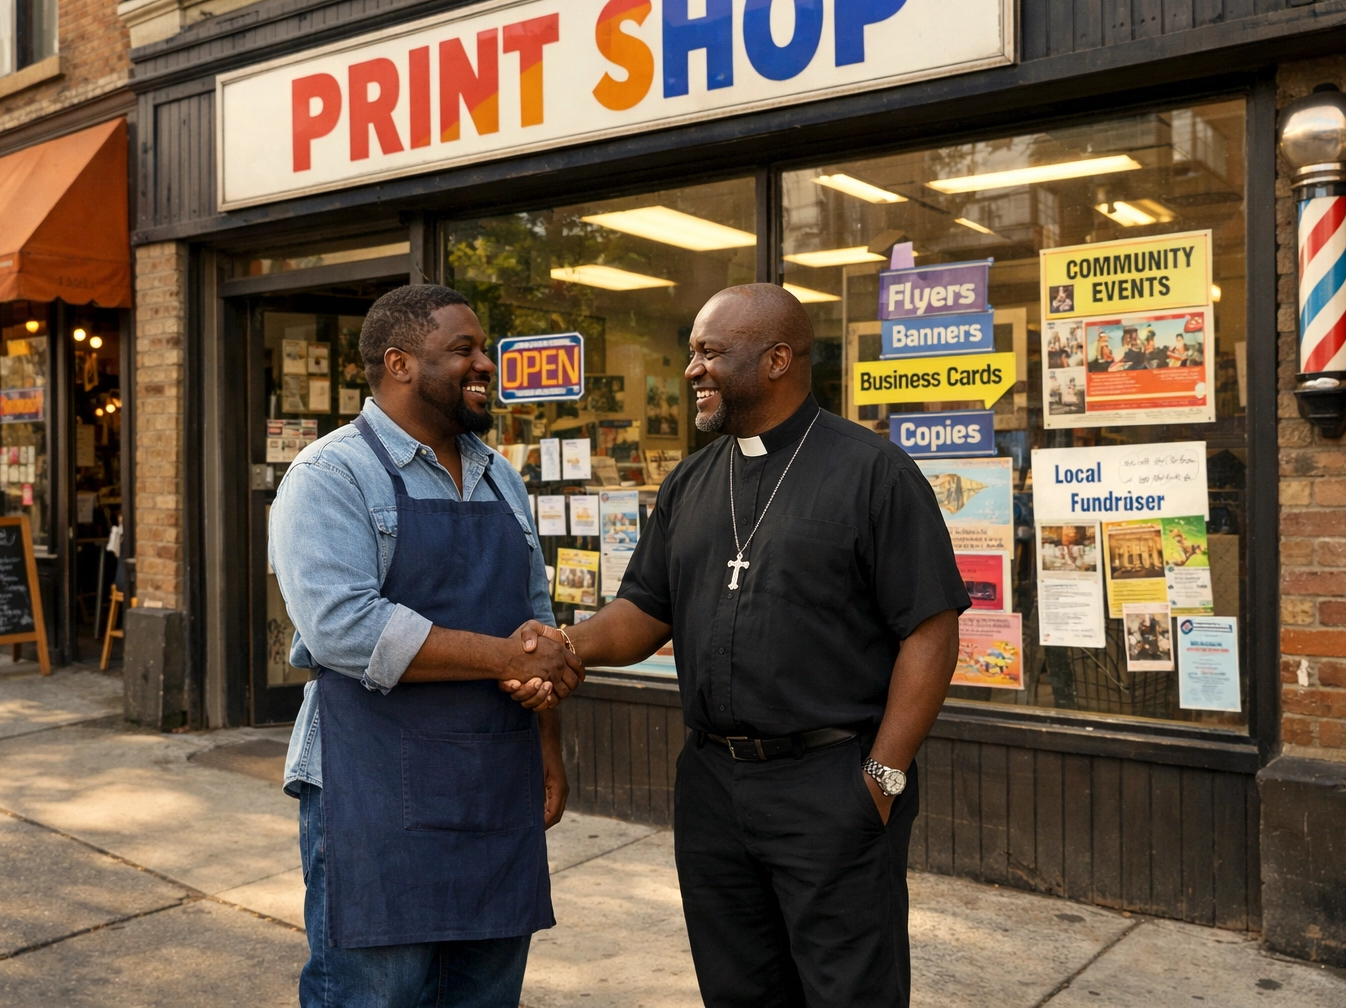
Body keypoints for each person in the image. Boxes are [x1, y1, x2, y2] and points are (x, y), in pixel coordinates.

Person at [517, 283, 970, 1007]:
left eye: (709, 353)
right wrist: (566, 644)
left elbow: (931, 628)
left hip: (830, 782)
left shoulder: (873, 472)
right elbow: (644, 609)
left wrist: (881, 780)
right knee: (737, 990)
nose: (691, 370)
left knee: (849, 993)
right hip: (712, 788)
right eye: (691, 353)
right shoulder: (693, 480)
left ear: (777, 360)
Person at [270, 284, 583, 1008]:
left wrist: (548, 747)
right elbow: (343, 625)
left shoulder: (501, 475)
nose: (485, 363)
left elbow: (532, 621)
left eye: (484, 347)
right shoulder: (331, 473)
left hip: (495, 785)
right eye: (464, 350)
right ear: (400, 363)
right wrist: (507, 657)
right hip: (371, 790)